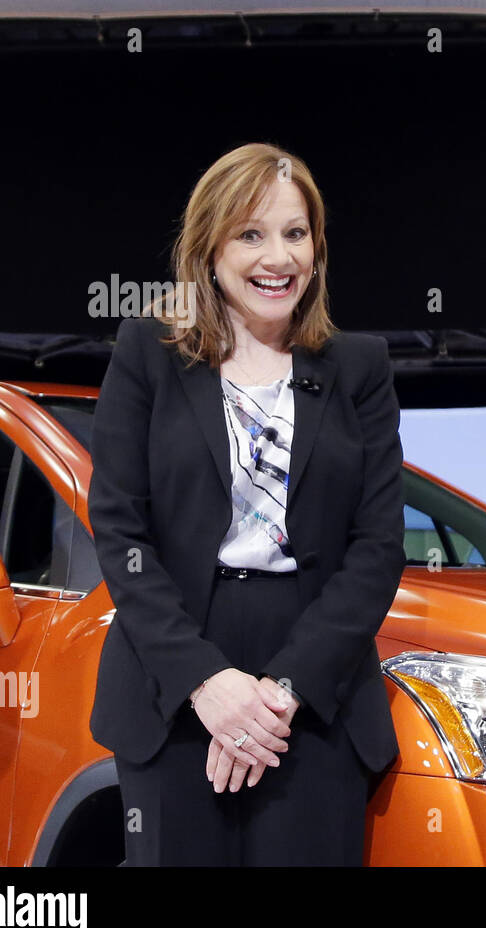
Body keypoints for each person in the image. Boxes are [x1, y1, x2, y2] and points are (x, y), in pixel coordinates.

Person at [88, 143, 406, 865]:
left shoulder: (359, 367)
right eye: (251, 234)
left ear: (317, 248)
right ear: (208, 247)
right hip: (173, 689)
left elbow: (378, 547)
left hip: (316, 695)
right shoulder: (147, 353)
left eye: (296, 233)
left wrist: (280, 694)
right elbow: (119, 528)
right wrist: (206, 683)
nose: (278, 256)